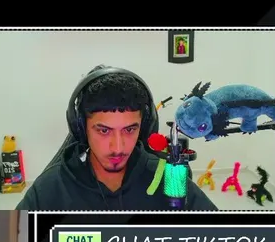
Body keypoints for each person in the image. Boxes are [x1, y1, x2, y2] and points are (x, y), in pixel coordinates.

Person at [17, 66, 217, 211]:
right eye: (104, 131)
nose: (118, 147)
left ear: (144, 126)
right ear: (81, 128)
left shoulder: (169, 179)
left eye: (129, 129)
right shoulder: (50, 189)